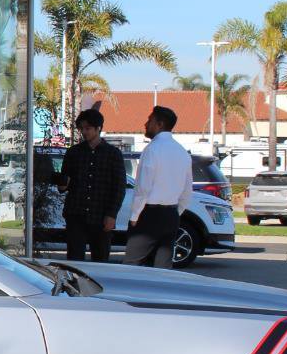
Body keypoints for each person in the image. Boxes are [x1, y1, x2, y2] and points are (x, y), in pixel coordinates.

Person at [124, 105, 191, 268]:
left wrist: (135, 215)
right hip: (171, 214)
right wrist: (176, 212)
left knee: (131, 264)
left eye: (150, 120)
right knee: (163, 266)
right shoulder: (182, 152)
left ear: (160, 124)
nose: (146, 124)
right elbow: (187, 190)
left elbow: (143, 187)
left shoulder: (152, 149)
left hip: (149, 214)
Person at [56, 108, 124, 262]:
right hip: (76, 213)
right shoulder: (74, 153)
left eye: (88, 128)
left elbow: (119, 187)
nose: (84, 132)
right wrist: (62, 184)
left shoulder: (113, 154)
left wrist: (112, 214)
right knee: (74, 257)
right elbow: (65, 180)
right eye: (81, 129)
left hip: (100, 214)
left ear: (98, 128)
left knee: (100, 258)